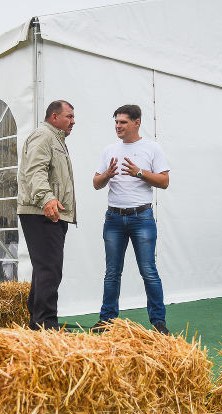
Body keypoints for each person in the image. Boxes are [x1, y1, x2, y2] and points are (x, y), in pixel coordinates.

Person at [93, 104, 170, 333]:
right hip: (114, 219)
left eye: (123, 122)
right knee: (112, 272)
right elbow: (96, 183)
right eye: (116, 122)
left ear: (137, 122)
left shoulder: (152, 148)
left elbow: (164, 182)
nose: (118, 126)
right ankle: (107, 320)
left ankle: (158, 322)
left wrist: (139, 172)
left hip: (142, 218)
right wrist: (106, 174)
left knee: (148, 271)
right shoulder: (109, 150)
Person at [17, 100, 77, 330]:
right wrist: (47, 198)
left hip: (50, 212)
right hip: (42, 212)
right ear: (54, 116)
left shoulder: (55, 139)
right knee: (49, 269)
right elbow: (35, 170)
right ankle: (46, 324)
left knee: (46, 268)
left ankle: (37, 321)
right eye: (69, 116)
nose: (73, 121)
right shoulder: (44, 137)